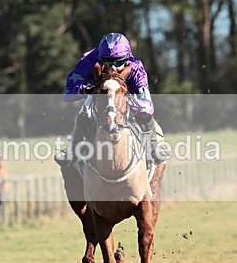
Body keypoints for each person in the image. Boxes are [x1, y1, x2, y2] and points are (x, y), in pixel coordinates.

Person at [58, 32, 169, 166]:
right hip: (98, 93)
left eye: (118, 62)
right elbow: (67, 93)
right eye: (107, 62)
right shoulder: (89, 59)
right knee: (85, 113)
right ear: (100, 58)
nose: (113, 67)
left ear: (127, 58)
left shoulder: (135, 67)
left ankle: (153, 147)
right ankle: (72, 152)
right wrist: (85, 89)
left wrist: (126, 100)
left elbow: (147, 105)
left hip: (127, 95)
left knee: (145, 114)